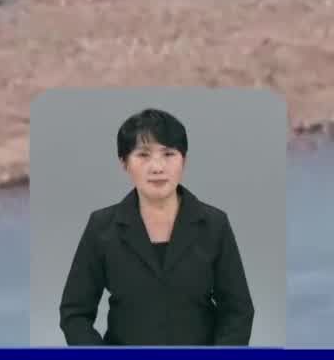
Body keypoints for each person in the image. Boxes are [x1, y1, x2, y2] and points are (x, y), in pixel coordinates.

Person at [57, 108, 256, 346]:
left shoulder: (214, 224)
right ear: (124, 163)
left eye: (169, 154)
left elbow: (239, 310)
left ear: (184, 160)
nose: (157, 167)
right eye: (143, 155)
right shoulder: (102, 227)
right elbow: (74, 314)